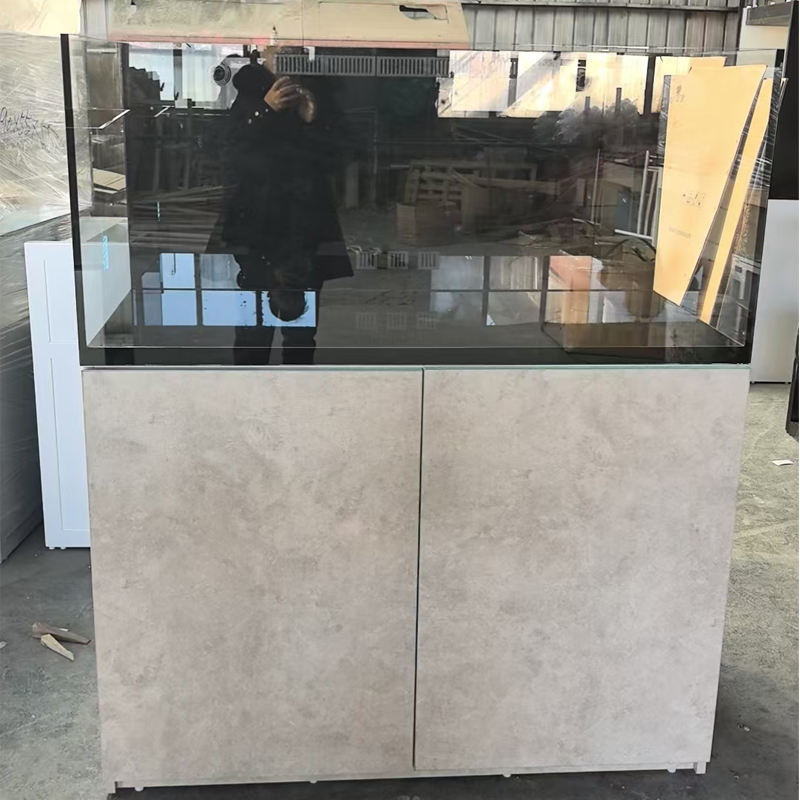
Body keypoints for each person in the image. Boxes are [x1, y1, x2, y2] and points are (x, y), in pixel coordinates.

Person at [221, 55, 351, 364]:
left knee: (301, 332)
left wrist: (313, 121)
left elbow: (341, 157)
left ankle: (297, 387)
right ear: (265, 48)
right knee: (253, 330)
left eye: (296, 45)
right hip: (258, 223)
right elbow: (231, 156)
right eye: (281, 44)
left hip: (305, 224)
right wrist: (265, 110)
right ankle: (251, 386)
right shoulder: (249, 90)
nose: (289, 51)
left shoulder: (320, 90)